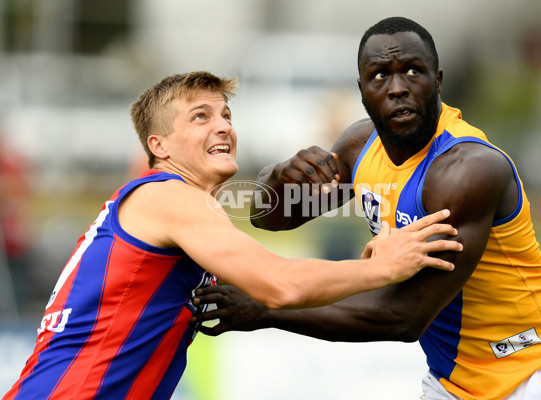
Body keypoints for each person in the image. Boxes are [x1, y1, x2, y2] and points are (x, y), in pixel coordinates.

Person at [191, 18, 541, 400]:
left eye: (413, 71)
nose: (397, 87)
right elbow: (270, 216)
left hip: (537, 373)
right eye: (380, 76)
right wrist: (281, 174)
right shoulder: (358, 147)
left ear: (438, 81)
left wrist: (268, 308)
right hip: (454, 379)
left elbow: (405, 316)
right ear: (362, 88)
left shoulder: (465, 170)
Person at [2, 71, 463, 400]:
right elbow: (279, 283)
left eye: (225, 114)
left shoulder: (169, 205)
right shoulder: (170, 196)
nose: (223, 125)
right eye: (200, 117)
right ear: (157, 146)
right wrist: (381, 266)